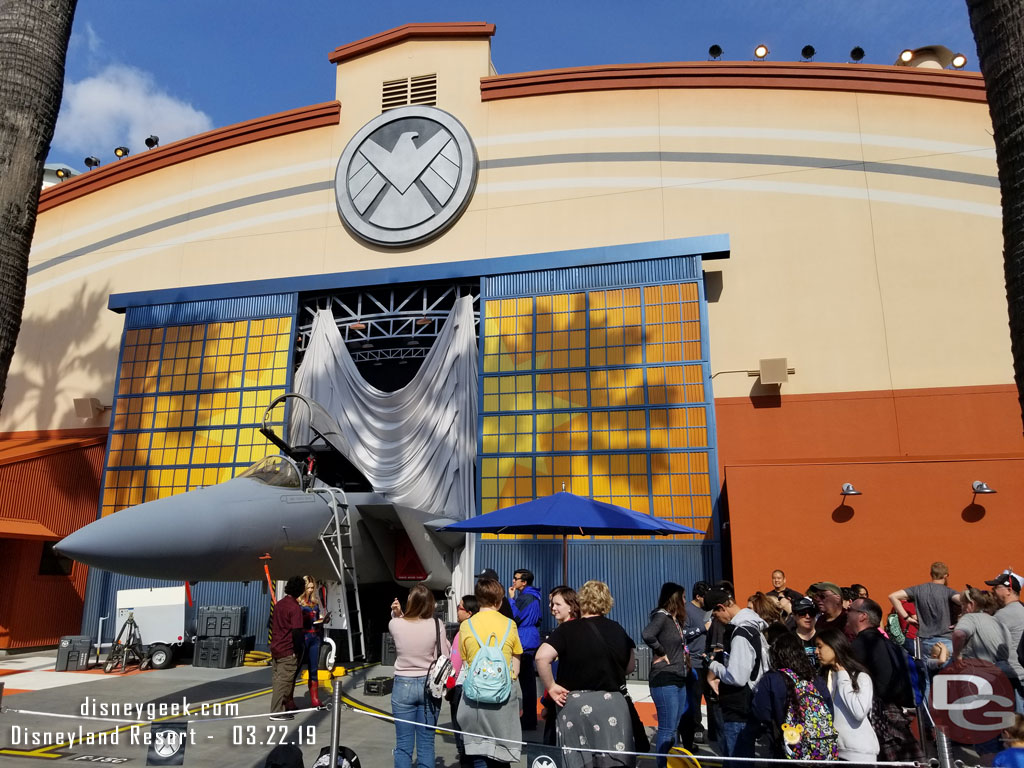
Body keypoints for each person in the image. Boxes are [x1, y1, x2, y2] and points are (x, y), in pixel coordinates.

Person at [536, 580, 637, 768]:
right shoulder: (618, 629)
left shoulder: (567, 629)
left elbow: (542, 657)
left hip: (575, 704)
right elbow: (630, 666)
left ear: (582, 600)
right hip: (613, 705)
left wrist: (551, 687)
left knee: (577, 760)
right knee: (613, 761)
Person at [846, 597, 922, 762]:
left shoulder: (861, 644)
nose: (847, 612)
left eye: (850, 610)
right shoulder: (888, 643)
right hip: (896, 715)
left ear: (862, 616)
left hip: (881, 719)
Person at [458, 578, 523, 768]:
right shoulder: (509, 624)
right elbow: (515, 665)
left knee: (478, 756)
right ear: (499, 600)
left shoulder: (466, 626)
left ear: (478, 600)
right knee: (501, 756)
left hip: (475, 698)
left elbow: (466, 664)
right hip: (502, 697)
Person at [389, 584, 451, 768]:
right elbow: (444, 655)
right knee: (426, 744)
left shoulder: (394, 623)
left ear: (410, 601)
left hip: (402, 685)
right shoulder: (436, 624)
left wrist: (398, 614)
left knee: (403, 746)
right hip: (429, 685)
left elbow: (401, 626)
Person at [704, 585, 768, 759]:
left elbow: (736, 677)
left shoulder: (741, 633)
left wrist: (713, 665)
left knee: (737, 759)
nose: (716, 619)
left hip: (739, 707)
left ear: (722, 607)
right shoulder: (753, 627)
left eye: (715, 615)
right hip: (747, 703)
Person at [751, 631, 833, 759]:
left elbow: (761, 712)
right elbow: (829, 711)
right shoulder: (816, 679)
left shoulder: (771, 679)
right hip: (817, 747)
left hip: (784, 745)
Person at [643, 582, 690, 767]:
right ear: (675, 598)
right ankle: (663, 765)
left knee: (674, 729)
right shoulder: (661, 616)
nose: (685, 601)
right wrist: (661, 652)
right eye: (683, 597)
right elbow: (647, 634)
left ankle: (673, 763)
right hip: (664, 679)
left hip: (679, 677)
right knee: (667, 729)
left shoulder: (675, 619)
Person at [816, 628, 879, 763]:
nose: (816, 652)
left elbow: (859, 711)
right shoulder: (824, 677)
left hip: (860, 755)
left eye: (820, 647)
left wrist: (843, 677)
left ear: (834, 646)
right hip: (833, 753)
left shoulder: (860, 677)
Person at [888, 561, 961, 655]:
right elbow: (967, 602)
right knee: (947, 669)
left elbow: (893, 596)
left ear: (931, 574)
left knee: (925, 668)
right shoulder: (949, 592)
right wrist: (960, 621)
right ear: (946, 575)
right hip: (946, 641)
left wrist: (907, 618)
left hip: (924, 641)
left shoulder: (918, 589)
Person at [542, 586, 580, 745]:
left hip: (561, 696)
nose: (552, 607)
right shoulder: (569, 629)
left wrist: (547, 698)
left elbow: (550, 666)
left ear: (571, 606)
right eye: (551, 603)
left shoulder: (566, 631)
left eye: (557, 604)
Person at [509, 568, 543, 731]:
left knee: (526, 683)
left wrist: (511, 600)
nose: (513, 581)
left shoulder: (525, 598)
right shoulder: (534, 596)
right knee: (528, 682)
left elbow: (514, 616)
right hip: (530, 637)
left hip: (524, 639)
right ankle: (529, 718)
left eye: (516, 579)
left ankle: (528, 719)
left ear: (524, 582)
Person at [269, 575, 307, 720]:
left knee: (277, 679)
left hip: (276, 648)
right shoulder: (295, 608)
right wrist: (298, 649)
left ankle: (282, 707)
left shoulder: (279, 604)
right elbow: (297, 631)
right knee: (284, 682)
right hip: (287, 649)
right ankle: (276, 711)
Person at [679, 580, 711, 749]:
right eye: (705, 596)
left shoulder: (709, 610)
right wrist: (702, 629)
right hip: (694, 661)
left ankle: (712, 730)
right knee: (695, 697)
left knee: (712, 698)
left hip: (709, 660)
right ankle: (697, 729)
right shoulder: (687, 611)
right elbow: (682, 633)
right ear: (698, 596)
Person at [987, 570, 1024, 713]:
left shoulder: (1003, 615)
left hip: (1013, 677)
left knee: (1017, 726)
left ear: (1008, 590)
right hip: (1019, 674)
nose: (993, 591)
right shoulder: (1021, 608)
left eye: (996, 588)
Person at [449, 595, 480, 768]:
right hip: (479, 687)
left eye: (460, 608)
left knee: (461, 738)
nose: (457, 610)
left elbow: (455, 664)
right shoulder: (481, 630)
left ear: (469, 613)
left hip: (461, 688)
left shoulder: (462, 633)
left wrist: (448, 687)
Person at [953, 586, 1011, 663]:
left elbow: (959, 634)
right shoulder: (998, 622)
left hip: (979, 669)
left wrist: (956, 655)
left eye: (963, 604)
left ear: (971, 604)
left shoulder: (970, 617)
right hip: (1004, 671)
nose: (962, 608)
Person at [298, 575, 328, 708]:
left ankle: (314, 699)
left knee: (314, 668)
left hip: (315, 636)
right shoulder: (299, 603)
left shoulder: (314, 603)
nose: (310, 590)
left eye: (312, 587)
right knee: (296, 667)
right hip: (303, 637)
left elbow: (317, 616)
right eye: (308, 588)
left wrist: (322, 619)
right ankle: (289, 699)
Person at [792, 596, 819, 668]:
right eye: (802, 613)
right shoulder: (788, 639)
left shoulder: (824, 636)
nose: (808, 616)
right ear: (794, 615)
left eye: (811, 613)